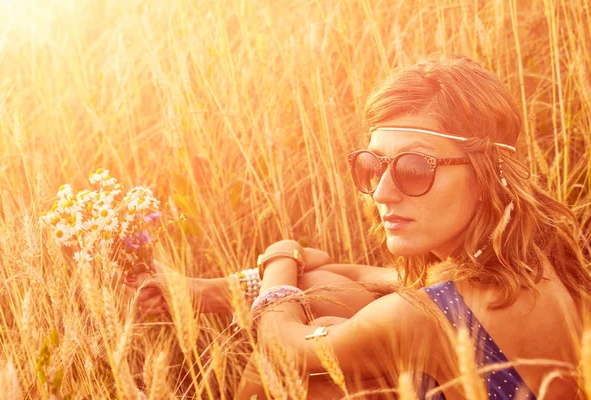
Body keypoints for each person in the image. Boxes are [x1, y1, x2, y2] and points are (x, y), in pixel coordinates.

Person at [128, 55, 591, 399]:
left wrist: (278, 259)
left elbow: (285, 350)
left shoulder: (426, 316)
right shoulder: (532, 255)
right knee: (322, 287)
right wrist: (221, 289)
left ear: (489, 173)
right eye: (372, 166)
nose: (383, 192)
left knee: (307, 374)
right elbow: (371, 279)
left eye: (414, 168)